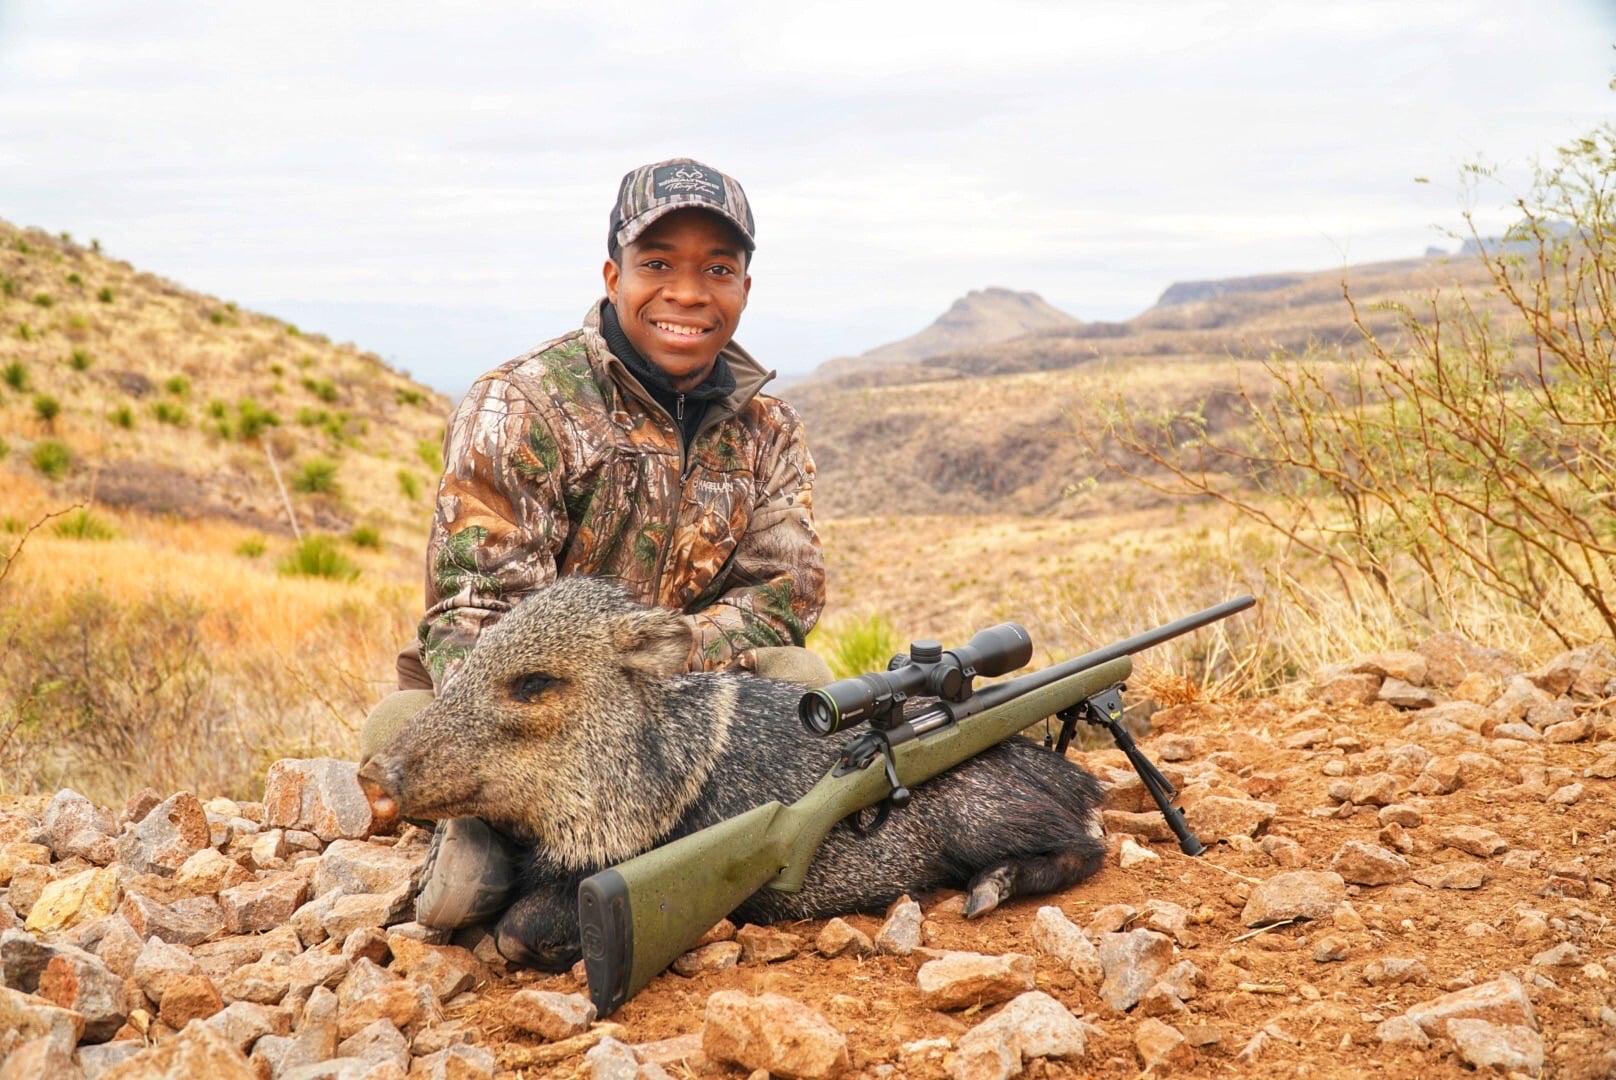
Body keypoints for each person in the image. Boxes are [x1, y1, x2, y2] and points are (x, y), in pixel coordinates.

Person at [360, 158, 830, 931]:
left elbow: (783, 598)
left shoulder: (769, 428)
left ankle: (668, 853)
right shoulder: (521, 401)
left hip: (678, 698)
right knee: (396, 731)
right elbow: (474, 609)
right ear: (613, 276)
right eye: (657, 265)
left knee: (804, 677)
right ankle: (502, 841)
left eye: (717, 268)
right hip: (528, 707)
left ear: (745, 288)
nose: (687, 292)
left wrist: (650, 663)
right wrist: (579, 688)